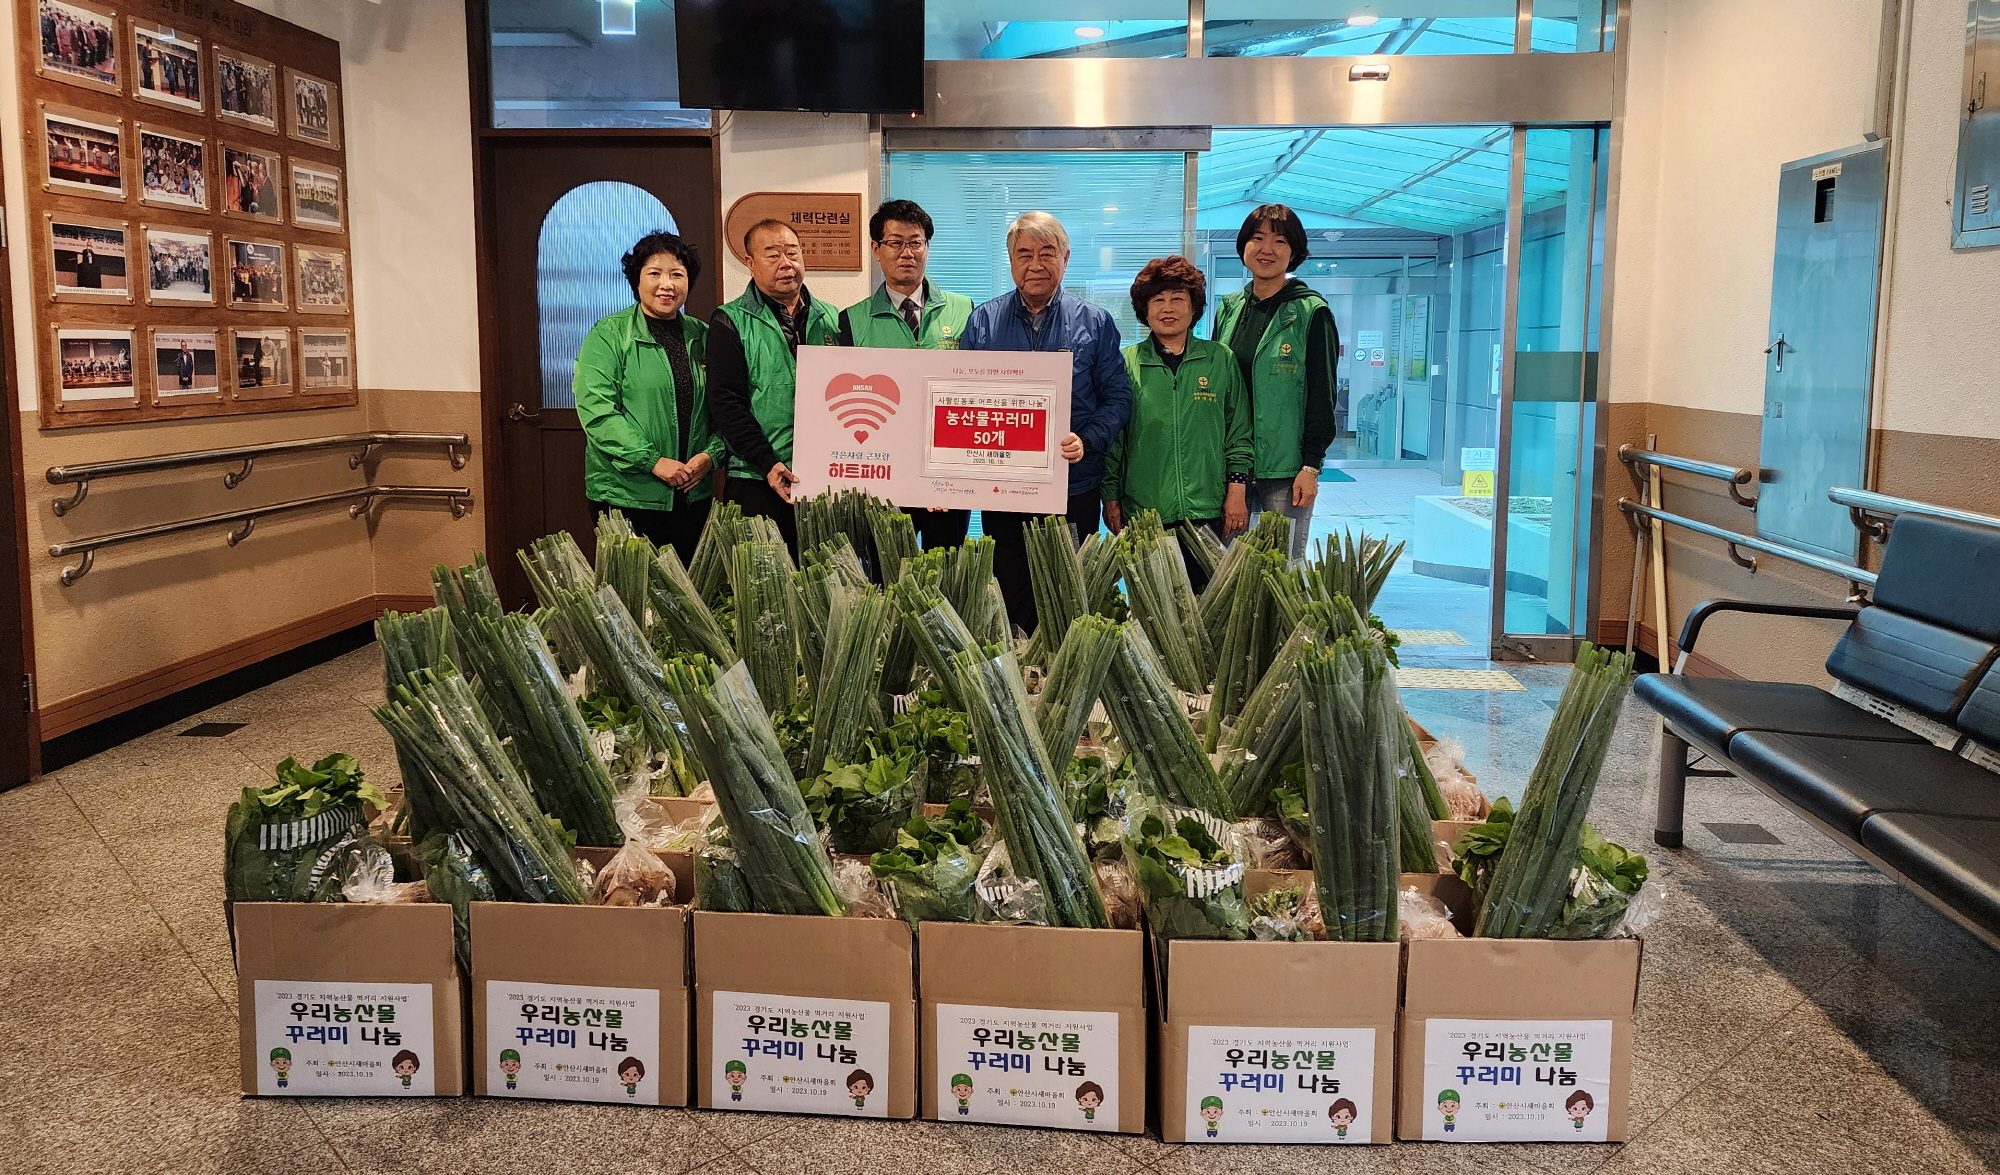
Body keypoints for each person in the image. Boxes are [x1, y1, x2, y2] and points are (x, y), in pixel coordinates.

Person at [960, 211, 1132, 630]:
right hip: (1005, 486)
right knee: (1010, 588)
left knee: (1069, 593)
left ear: (1066, 258)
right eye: (1024, 255)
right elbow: (959, 398)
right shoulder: (983, 322)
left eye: (1046, 253)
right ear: (1011, 261)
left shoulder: (1095, 322)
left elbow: (1118, 396)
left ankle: (1064, 674)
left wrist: (1088, 440)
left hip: (1072, 485)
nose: (1035, 264)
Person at [1101, 256, 1252, 588]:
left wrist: (1236, 489)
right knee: (1153, 609)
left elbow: (1238, 431)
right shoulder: (1126, 363)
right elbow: (1114, 440)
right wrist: (1110, 497)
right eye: (1158, 300)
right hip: (1145, 513)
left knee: (1207, 606)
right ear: (1145, 309)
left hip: (1206, 510)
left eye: (1177, 299)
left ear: (1193, 307)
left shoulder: (1219, 359)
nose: (1167, 308)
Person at [573, 230, 721, 565]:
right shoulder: (609, 334)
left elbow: (725, 407)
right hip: (627, 494)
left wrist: (710, 456)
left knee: (688, 599)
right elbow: (598, 411)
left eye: (677, 274)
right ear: (636, 280)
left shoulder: (704, 337)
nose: (666, 284)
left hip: (691, 493)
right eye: (655, 273)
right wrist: (653, 462)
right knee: (633, 601)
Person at [840, 198, 975, 549]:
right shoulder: (851, 320)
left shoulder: (966, 309)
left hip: (947, 472)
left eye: (915, 242)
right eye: (895, 242)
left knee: (947, 575)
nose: (906, 252)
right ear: (876, 249)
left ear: (927, 247)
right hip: (883, 474)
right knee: (885, 578)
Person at [1212, 204, 1340, 560]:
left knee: (1280, 572)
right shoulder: (1229, 308)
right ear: (1244, 247)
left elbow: (1322, 394)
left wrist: (1310, 466)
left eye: (1279, 240)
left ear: (1294, 251)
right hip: (1230, 466)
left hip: (1285, 471)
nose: (1267, 249)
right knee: (1227, 574)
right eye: (1257, 238)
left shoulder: (1311, 312)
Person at [708, 219, 841, 554]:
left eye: (792, 253)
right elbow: (726, 403)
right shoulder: (730, 321)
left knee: (822, 582)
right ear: (749, 263)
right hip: (755, 476)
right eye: (772, 255)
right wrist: (767, 461)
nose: (786, 263)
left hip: (822, 478)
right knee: (764, 590)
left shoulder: (832, 319)